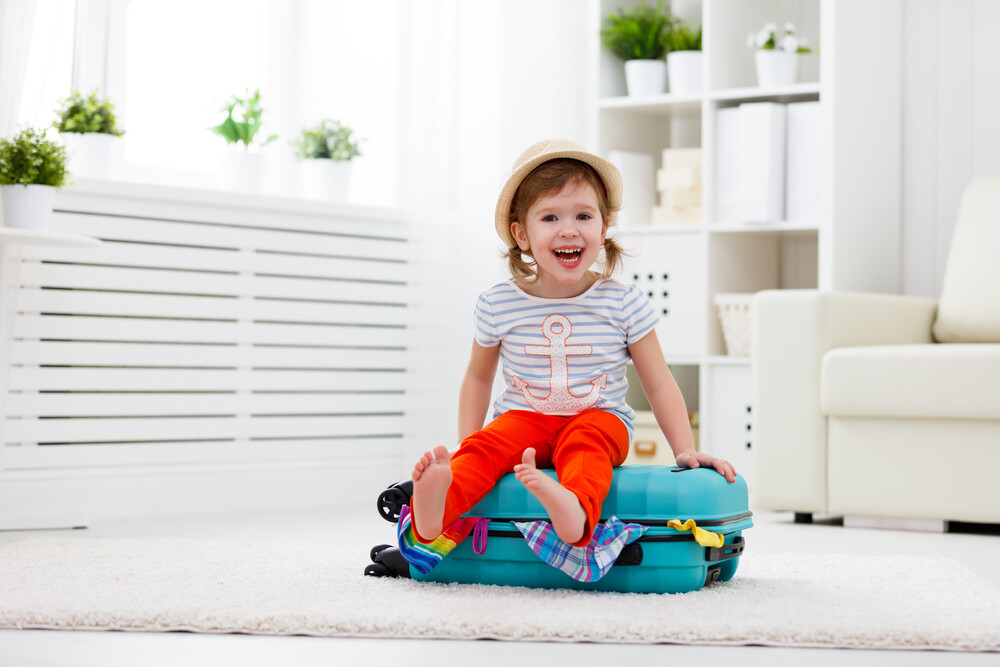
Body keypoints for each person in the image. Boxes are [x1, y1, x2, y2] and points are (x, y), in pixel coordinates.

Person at [410, 139, 736, 550]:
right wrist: (465, 443)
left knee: (587, 446)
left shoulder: (623, 302)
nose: (568, 228)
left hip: (599, 417)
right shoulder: (498, 303)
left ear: (602, 229)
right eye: (549, 217)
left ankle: (574, 510)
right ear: (521, 234)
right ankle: (436, 508)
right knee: (486, 447)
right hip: (523, 418)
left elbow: (658, 383)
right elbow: (477, 378)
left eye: (583, 215)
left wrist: (685, 450)